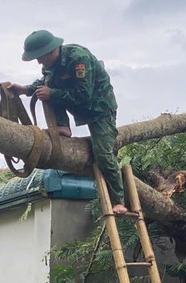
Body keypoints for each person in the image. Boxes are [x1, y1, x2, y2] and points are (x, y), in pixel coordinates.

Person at [8, 29, 128, 215]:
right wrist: (26, 89)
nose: (39, 62)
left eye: (39, 57)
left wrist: (51, 93)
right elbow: (46, 81)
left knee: (103, 155)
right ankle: (63, 127)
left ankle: (119, 200)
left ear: (50, 51)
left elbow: (83, 95)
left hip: (99, 110)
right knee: (48, 90)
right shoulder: (51, 65)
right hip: (76, 104)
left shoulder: (78, 59)